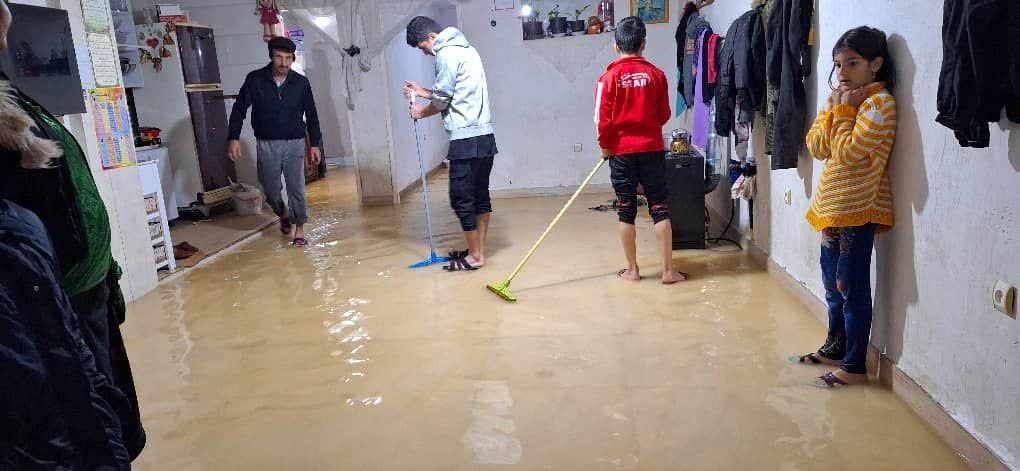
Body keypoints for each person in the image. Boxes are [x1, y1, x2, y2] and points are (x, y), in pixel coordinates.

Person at [0, 0, 145, 463]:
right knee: (79, 425)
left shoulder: (13, 98)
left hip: (85, 290)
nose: (5, 43)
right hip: (53, 306)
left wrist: (105, 269)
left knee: (110, 417)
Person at [797, 26, 897, 388]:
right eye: (839, 63)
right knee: (831, 284)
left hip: (860, 209)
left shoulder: (879, 104)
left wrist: (843, 114)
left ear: (876, 65)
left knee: (850, 287)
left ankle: (855, 364)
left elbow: (849, 153)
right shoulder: (840, 101)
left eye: (852, 63)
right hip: (832, 209)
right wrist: (838, 110)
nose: (842, 72)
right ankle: (836, 346)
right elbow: (817, 146)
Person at [595, 16, 687, 285]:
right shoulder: (656, 75)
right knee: (659, 207)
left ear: (615, 46)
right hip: (652, 149)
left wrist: (605, 147)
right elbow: (664, 114)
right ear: (643, 43)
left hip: (621, 153)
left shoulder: (607, 78)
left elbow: (603, 120)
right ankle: (668, 271)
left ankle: (632, 270)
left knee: (626, 210)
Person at [403, 16, 497, 272]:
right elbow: (455, 91)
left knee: (460, 199)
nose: (425, 53)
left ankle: (476, 257)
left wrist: (421, 112)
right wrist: (423, 91)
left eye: (423, 48)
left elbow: (444, 100)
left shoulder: (445, 54)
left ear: (431, 38)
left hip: (465, 139)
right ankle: (478, 251)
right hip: (485, 136)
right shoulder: (467, 50)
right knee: (479, 196)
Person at [228, 36, 322, 247]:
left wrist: (314, 144)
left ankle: (299, 230)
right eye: (279, 58)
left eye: (288, 58)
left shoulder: (301, 83)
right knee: (270, 190)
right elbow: (239, 109)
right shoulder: (255, 79)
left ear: (292, 59)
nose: (283, 63)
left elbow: (312, 115)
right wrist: (233, 137)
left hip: (295, 142)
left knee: (296, 188)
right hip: (266, 143)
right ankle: (283, 212)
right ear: (271, 57)